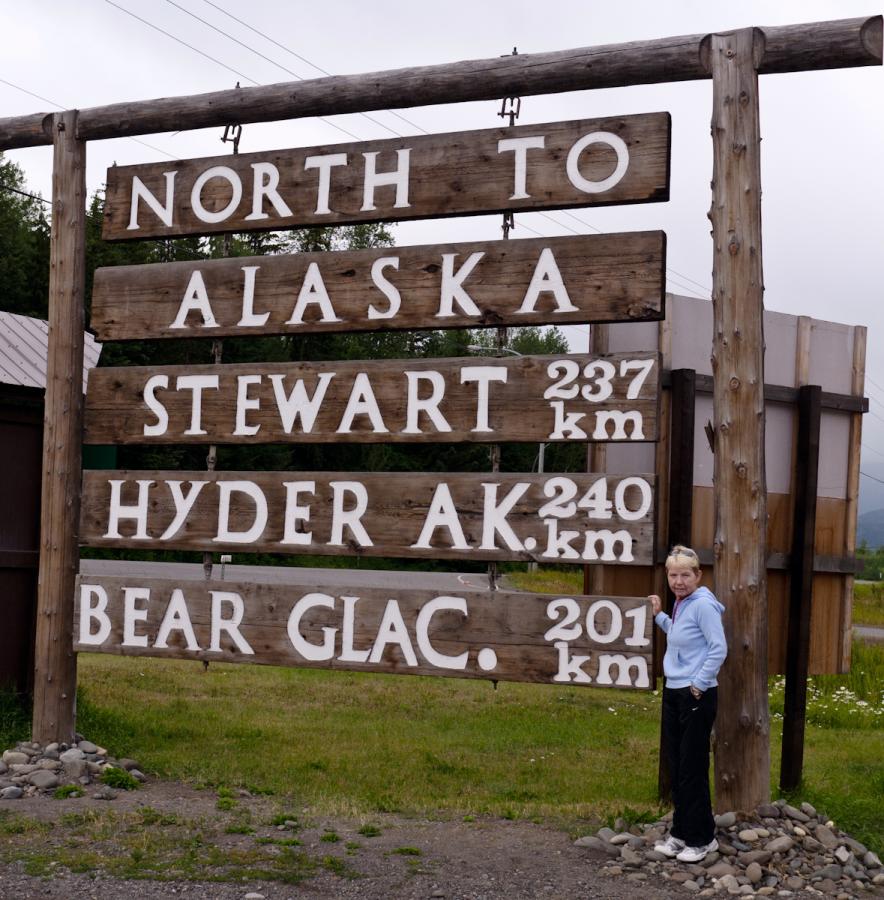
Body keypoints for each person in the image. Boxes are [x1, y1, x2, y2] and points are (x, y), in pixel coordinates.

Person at [649, 544, 727, 863]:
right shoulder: (682, 603)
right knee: (678, 764)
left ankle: (702, 839)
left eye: (685, 575)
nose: (678, 581)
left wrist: (699, 683)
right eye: (673, 574)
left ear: (698, 575)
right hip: (675, 689)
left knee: (692, 768)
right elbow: (681, 635)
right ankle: (680, 834)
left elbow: (718, 648)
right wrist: (660, 617)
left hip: (696, 693)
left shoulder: (703, 605)